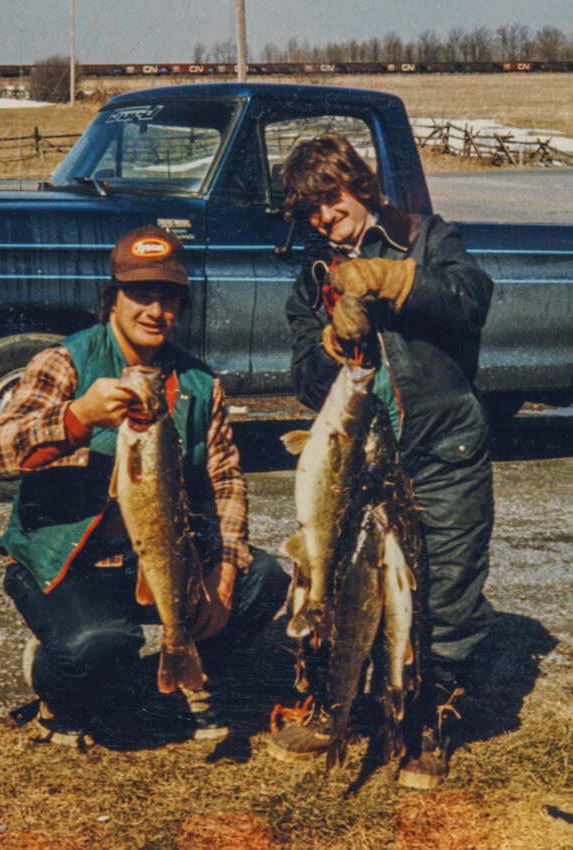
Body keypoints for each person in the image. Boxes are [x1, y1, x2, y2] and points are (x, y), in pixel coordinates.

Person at [0, 225, 289, 747]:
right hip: (69, 566)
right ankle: (56, 682)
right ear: (112, 299)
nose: (154, 311)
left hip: (158, 564)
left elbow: (226, 481)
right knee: (95, 646)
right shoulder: (66, 361)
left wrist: (222, 575)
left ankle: (183, 678)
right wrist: (77, 416)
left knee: (261, 578)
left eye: (168, 298)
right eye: (140, 294)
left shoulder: (198, 382)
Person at [266, 134, 495, 789]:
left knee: (446, 593)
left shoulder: (425, 237)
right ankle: (329, 702)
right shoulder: (311, 276)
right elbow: (309, 383)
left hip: (441, 450)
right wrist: (331, 335)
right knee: (337, 585)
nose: (321, 216)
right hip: (359, 465)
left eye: (329, 198)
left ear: (359, 187)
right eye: (307, 208)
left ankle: (429, 722)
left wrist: (398, 280)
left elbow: (471, 299)